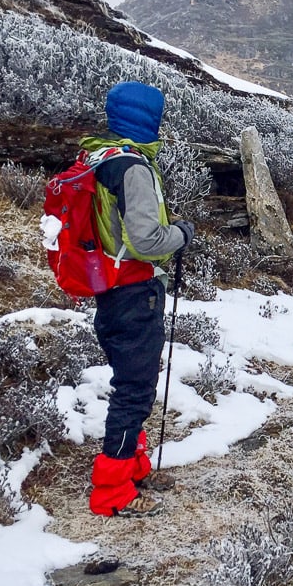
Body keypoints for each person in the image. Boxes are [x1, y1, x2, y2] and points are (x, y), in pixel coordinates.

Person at [85, 81, 194, 517]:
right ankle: (111, 491)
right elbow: (148, 241)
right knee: (135, 389)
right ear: (150, 120)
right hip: (134, 291)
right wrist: (182, 234)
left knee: (132, 383)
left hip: (108, 287)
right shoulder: (133, 168)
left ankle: (133, 466)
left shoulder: (97, 157)